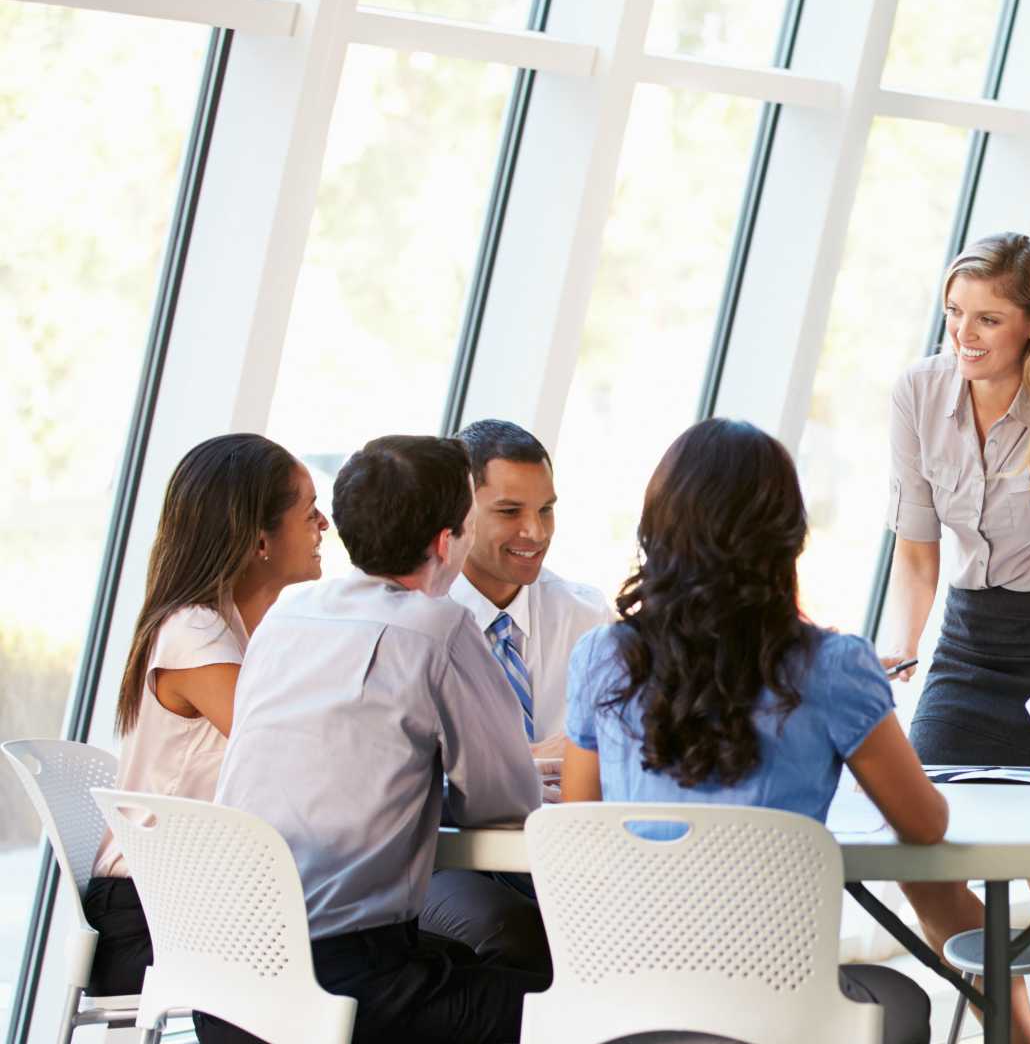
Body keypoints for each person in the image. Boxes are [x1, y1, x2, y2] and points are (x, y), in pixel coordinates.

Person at [563, 418, 945, 1044]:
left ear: (659, 527)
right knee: (901, 996)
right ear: (787, 535)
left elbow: (582, 824)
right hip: (775, 1006)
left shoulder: (602, 657)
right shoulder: (834, 666)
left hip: (622, 996)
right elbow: (925, 825)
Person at [206, 435, 544, 1044]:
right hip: (343, 987)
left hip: (228, 984)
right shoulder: (438, 627)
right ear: (447, 542)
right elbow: (504, 801)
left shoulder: (289, 611)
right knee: (566, 1006)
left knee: (481, 969)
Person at [84, 433, 328, 998]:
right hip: (148, 919)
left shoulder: (245, 633)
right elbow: (285, 759)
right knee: (364, 967)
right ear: (259, 539)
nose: (325, 525)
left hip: (195, 901)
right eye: (310, 510)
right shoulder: (195, 632)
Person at [424, 418, 613, 972]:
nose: (535, 531)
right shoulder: (419, 620)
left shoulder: (585, 615)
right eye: (510, 512)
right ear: (458, 514)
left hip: (566, 857)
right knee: (524, 937)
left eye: (546, 510)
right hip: (443, 860)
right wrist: (515, 765)